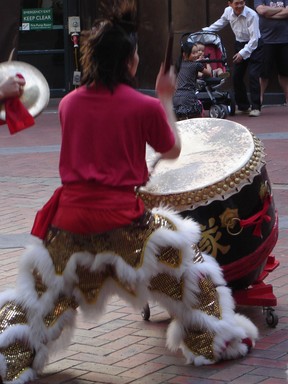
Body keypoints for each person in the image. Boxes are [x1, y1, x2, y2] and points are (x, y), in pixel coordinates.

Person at [0, 3, 258, 383]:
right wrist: (165, 97)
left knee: (38, 294)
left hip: (68, 222)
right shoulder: (143, 105)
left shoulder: (69, 103)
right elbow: (171, 150)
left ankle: (12, 355)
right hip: (126, 223)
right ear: (129, 62)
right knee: (193, 268)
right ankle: (210, 341)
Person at [203, 0, 264, 117]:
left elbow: (254, 39)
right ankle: (243, 106)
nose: (240, 6)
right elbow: (220, 23)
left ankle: (256, 107)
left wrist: (243, 53)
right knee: (236, 76)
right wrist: (204, 31)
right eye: (237, 3)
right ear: (229, 4)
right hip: (239, 44)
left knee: (253, 75)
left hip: (255, 46)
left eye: (242, 2)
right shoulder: (227, 12)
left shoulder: (252, 15)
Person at [254, 0, 288, 105]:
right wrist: (281, 10)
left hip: (285, 40)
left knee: (285, 72)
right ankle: (258, 101)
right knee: (264, 73)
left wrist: (270, 14)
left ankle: (287, 98)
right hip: (266, 40)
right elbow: (262, 11)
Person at [173, 40, 212, 119]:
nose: (196, 55)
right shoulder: (196, 65)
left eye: (197, 52)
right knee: (195, 119)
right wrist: (207, 63)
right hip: (189, 97)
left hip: (176, 97)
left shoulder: (179, 64)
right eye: (193, 53)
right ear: (185, 54)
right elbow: (209, 73)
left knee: (180, 121)